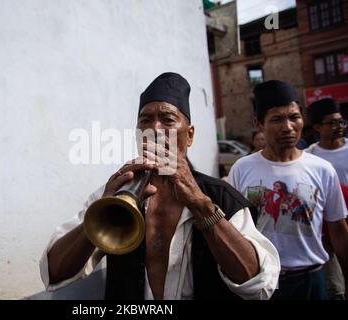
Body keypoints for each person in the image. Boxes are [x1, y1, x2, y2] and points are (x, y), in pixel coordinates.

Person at [40, 72, 280, 300]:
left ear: (190, 135)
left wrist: (202, 206)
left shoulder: (222, 198)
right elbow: (55, 271)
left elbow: (259, 284)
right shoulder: (117, 192)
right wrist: (103, 213)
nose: (154, 129)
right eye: (145, 120)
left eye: (167, 119)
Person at [228, 80, 348, 300]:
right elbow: (233, 229)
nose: (288, 127)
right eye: (277, 119)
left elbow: (338, 229)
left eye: (294, 117)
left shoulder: (322, 169)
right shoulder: (242, 169)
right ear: (258, 124)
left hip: (312, 281)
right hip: (262, 283)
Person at [306, 98, 348, 300]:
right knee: (334, 286)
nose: (339, 127)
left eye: (341, 122)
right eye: (332, 123)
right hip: (325, 229)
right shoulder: (309, 156)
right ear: (317, 128)